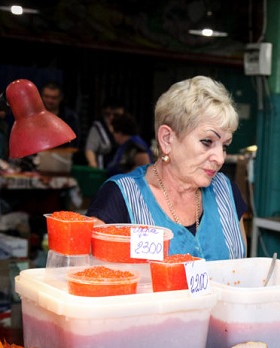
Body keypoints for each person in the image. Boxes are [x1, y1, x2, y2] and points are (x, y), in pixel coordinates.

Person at [86, 75, 248, 260]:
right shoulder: (120, 198)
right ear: (167, 139)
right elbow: (94, 277)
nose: (220, 158)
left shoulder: (226, 193)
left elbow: (240, 272)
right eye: (207, 142)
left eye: (224, 145)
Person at [105, 112, 154, 176]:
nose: (113, 136)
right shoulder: (125, 145)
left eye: (114, 132)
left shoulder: (136, 146)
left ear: (119, 132)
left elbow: (144, 168)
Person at [82, 99, 124, 168]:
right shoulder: (98, 127)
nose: (111, 117)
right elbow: (90, 149)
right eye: (108, 114)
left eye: (116, 115)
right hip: (103, 169)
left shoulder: (124, 128)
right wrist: (93, 164)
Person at [40, 80, 81, 149]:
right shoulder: (34, 117)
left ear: (60, 98)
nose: (49, 100)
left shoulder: (70, 117)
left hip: (63, 155)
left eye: (54, 98)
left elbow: (75, 141)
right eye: (46, 97)